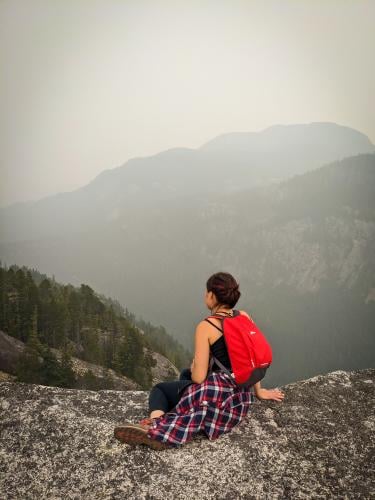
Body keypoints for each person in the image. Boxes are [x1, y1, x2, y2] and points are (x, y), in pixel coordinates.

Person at [114, 272, 284, 450]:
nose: (205, 296)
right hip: (240, 400)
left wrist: (196, 363)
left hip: (217, 399)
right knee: (184, 374)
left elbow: (198, 378)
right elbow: (252, 359)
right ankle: (181, 409)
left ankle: (155, 426)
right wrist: (260, 391)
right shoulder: (243, 316)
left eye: (206, 292)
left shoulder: (207, 326)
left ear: (211, 295)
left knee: (160, 390)